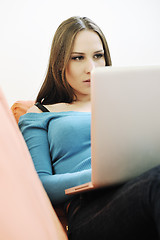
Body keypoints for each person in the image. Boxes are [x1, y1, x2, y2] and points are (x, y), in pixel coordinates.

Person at [18, 16, 160, 240]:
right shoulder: (39, 115)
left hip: (140, 186)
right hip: (89, 209)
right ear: (60, 61)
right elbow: (41, 186)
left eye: (98, 56)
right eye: (77, 58)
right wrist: (102, 175)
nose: (91, 67)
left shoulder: (127, 102)